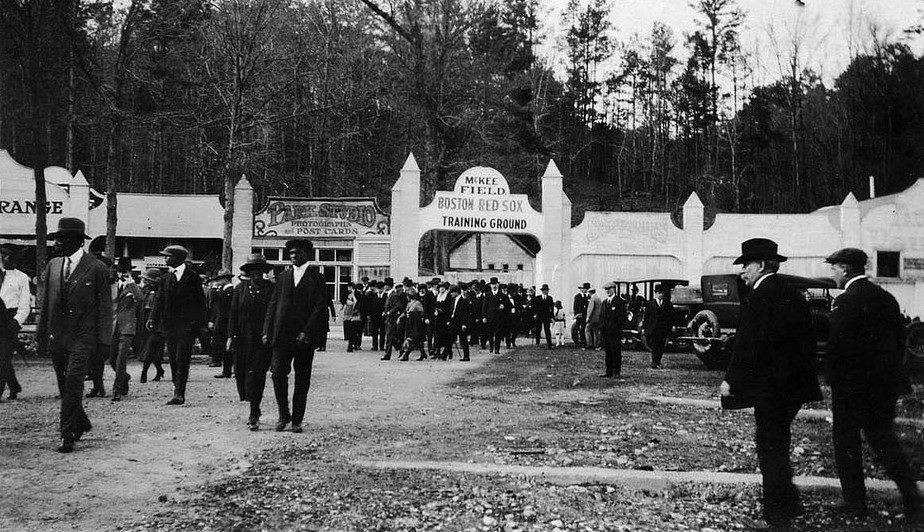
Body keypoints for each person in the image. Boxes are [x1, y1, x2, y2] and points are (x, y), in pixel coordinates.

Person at [720, 238, 821, 529]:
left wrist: (730, 380)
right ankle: (788, 502)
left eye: (746, 266)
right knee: (778, 443)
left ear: (762, 264)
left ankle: (778, 516)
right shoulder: (791, 292)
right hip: (792, 388)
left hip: (772, 389)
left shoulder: (761, 294)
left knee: (770, 448)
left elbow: (748, 344)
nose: (742, 272)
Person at [825, 248, 921, 521]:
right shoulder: (886, 298)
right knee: (884, 440)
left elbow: (838, 347)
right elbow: (899, 339)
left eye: (834, 268)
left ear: (845, 269)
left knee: (846, 443)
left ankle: (855, 504)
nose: (832, 273)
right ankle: (911, 497)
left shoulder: (846, 301)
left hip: (852, 388)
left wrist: (832, 379)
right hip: (884, 386)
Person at [36, 217, 112, 452]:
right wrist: (41, 334)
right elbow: (46, 303)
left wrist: (104, 342)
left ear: (78, 241)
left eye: (63, 239)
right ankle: (81, 422)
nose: (57, 244)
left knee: (73, 383)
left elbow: (105, 309)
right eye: (57, 239)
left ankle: (66, 434)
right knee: (63, 384)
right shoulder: (54, 266)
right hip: (58, 337)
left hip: (84, 337)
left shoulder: (97, 268)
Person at [262, 239, 329, 433]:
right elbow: (273, 305)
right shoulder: (283, 276)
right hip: (281, 335)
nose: (293, 256)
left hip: (304, 338)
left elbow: (319, 308)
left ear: (307, 254)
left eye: (297, 252)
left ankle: (297, 419)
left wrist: (306, 332)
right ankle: (284, 414)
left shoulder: (317, 277)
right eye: (291, 253)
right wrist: (267, 330)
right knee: (277, 373)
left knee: (302, 378)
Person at [148, 245, 208, 406]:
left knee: (183, 358)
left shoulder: (192, 277)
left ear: (178, 258)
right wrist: (152, 318)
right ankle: (176, 385)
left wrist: (201, 325)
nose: (165, 259)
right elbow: (158, 301)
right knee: (173, 358)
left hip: (187, 326)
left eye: (168, 256)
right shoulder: (165, 278)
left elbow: (200, 302)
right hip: (169, 326)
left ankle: (179, 393)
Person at [227, 253, 274, 430]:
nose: (256, 274)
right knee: (240, 373)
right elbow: (233, 314)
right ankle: (250, 401)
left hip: (261, 339)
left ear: (263, 272)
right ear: (248, 272)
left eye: (259, 271)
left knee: (256, 375)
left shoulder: (271, 288)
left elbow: (273, 313)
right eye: (252, 271)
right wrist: (230, 336)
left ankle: (254, 412)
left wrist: (269, 334)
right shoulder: (240, 289)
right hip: (241, 338)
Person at [109, 257, 142, 402]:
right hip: (113, 326)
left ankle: (116, 390)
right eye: (120, 271)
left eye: (125, 271)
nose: (122, 273)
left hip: (127, 327)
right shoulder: (113, 285)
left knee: (121, 359)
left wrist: (131, 282)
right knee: (112, 359)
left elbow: (140, 299)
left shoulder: (133, 286)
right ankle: (125, 377)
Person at [0, 243, 30, 401]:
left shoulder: (22, 278)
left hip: (10, 320)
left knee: (3, 357)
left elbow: (25, 306)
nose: (6, 258)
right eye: (3, 254)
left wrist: (16, 322)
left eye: (10, 256)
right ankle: (14, 386)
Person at [86, 254, 116, 398]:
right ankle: (99, 387)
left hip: (108, 325)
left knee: (100, 359)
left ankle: (119, 379)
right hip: (94, 324)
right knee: (95, 360)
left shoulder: (115, 284)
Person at [138, 268, 165, 383]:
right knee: (154, 351)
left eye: (149, 280)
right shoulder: (145, 291)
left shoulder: (162, 292)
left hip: (158, 325)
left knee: (151, 349)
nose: (146, 282)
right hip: (146, 323)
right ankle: (160, 370)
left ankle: (144, 374)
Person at [206, 270, 234, 378]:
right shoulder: (222, 290)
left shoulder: (231, 291)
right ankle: (226, 371)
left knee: (227, 347)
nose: (218, 281)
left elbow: (228, 310)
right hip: (220, 321)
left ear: (226, 279)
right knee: (222, 346)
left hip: (226, 322)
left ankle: (228, 371)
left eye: (220, 279)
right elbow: (215, 306)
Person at [643, 284, 673, 369]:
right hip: (653, 329)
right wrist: (645, 329)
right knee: (654, 346)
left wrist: (670, 328)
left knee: (661, 346)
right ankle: (654, 362)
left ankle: (658, 361)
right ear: (655, 293)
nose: (661, 295)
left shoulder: (668, 304)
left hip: (663, 329)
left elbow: (671, 317)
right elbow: (646, 317)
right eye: (659, 293)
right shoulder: (650, 304)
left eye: (662, 293)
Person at [600, 282, 626, 378]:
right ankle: (609, 371)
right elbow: (602, 317)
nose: (607, 291)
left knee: (616, 351)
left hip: (615, 332)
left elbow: (622, 317)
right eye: (606, 290)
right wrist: (602, 328)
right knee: (608, 352)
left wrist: (617, 328)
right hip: (606, 332)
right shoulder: (604, 302)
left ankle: (616, 371)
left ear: (613, 289)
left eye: (609, 289)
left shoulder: (619, 301)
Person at [381, 278, 407, 361]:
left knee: (389, 336)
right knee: (391, 337)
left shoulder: (394, 295)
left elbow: (398, 306)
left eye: (385, 285)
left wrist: (389, 312)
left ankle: (387, 354)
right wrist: (385, 312)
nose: (384, 287)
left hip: (392, 318)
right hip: (389, 318)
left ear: (388, 286)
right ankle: (401, 349)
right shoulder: (389, 294)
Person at [401, 291, 427, 361]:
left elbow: (422, 312)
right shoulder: (409, 303)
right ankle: (423, 353)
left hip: (416, 323)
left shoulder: (417, 303)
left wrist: (413, 314)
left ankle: (406, 355)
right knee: (417, 340)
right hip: (410, 323)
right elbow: (406, 311)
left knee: (413, 339)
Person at [481, 278, 505, 354]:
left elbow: (508, 305)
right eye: (492, 284)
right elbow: (484, 307)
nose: (494, 286)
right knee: (490, 334)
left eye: (495, 284)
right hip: (490, 317)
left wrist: (503, 306)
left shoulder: (502, 295)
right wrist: (484, 317)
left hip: (499, 317)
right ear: (490, 285)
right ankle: (491, 347)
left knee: (498, 334)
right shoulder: (487, 295)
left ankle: (497, 349)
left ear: (498, 285)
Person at [448, 284, 471, 361]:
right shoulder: (454, 300)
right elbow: (452, 311)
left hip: (460, 323)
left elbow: (466, 314)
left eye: (452, 292)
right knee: (450, 337)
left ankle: (466, 356)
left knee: (463, 339)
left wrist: (464, 324)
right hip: (453, 321)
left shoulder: (463, 301)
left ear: (456, 292)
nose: (450, 294)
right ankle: (446, 354)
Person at [341, 283, 362, 352]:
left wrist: (353, 296)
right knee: (349, 329)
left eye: (349, 287)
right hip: (347, 313)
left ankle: (352, 345)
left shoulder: (357, 294)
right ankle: (351, 344)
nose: (348, 288)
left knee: (354, 330)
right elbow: (343, 301)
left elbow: (358, 302)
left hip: (355, 313)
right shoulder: (346, 293)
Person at [532, 284, 554, 349]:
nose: (545, 291)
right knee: (538, 330)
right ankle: (537, 343)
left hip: (547, 317)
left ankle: (549, 344)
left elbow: (551, 308)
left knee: (547, 330)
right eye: (544, 290)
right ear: (542, 291)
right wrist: (534, 314)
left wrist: (552, 317)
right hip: (539, 316)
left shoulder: (550, 298)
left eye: (546, 290)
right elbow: (534, 307)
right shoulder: (537, 298)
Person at [368, 281, 386, 350]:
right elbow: (370, 306)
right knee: (374, 331)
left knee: (382, 332)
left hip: (382, 316)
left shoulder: (386, 296)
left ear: (383, 289)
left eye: (381, 288)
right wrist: (369, 315)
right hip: (374, 316)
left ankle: (381, 346)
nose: (380, 290)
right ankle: (374, 346)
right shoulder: (373, 296)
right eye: (379, 288)